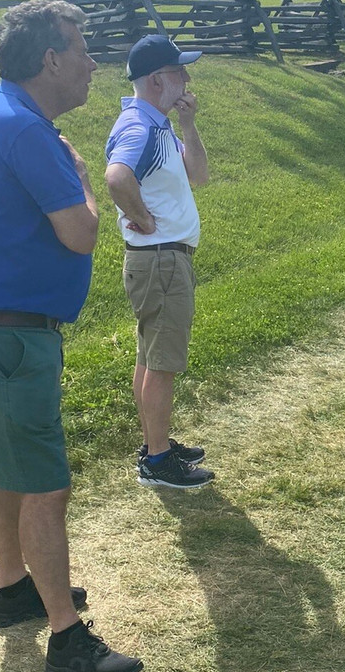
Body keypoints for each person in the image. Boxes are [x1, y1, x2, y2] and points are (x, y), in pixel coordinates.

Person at [0, 0, 143, 672]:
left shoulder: (8, 114)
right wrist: (87, 181)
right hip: (8, 337)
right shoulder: (27, 130)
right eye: (82, 50)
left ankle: (14, 593)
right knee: (44, 484)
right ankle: (67, 638)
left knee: (8, 464)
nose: (93, 63)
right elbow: (82, 233)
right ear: (50, 59)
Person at [105, 34, 215, 489]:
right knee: (163, 362)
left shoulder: (158, 124)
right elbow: (116, 176)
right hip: (162, 261)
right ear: (156, 79)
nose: (186, 79)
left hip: (161, 261)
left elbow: (200, 177)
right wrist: (141, 217)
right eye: (178, 72)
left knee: (150, 358)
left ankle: (157, 443)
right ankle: (156, 461)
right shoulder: (142, 128)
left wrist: (189, 126)